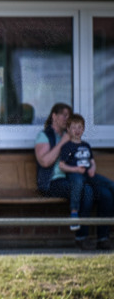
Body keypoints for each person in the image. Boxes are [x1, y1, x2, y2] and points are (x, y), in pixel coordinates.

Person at [35, 102, 94, 248]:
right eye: (64, 115)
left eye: (69, 116)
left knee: (94, 191)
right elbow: (45, 162)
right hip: (52, 182)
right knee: (86, 192)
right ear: (54, 116)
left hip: (73, 177)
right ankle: (81, 237)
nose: (67, 119)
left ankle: (92, 237)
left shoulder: (70, 135)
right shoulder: (44, 136)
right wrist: (62, 143)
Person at [58, 113, 113, 250]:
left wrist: (93, 168)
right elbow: (62, 165)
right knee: (86, 193)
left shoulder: (86, 145)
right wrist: (76, 169)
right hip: (77, 176)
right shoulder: (68, 147)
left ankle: (103, 238)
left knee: (107, 193)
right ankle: (81, 235)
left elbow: (92, 162)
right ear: (68, 130)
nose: (77, 130)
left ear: (83, 129)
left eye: (80, 127)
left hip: (89, 176)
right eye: (74, 127)